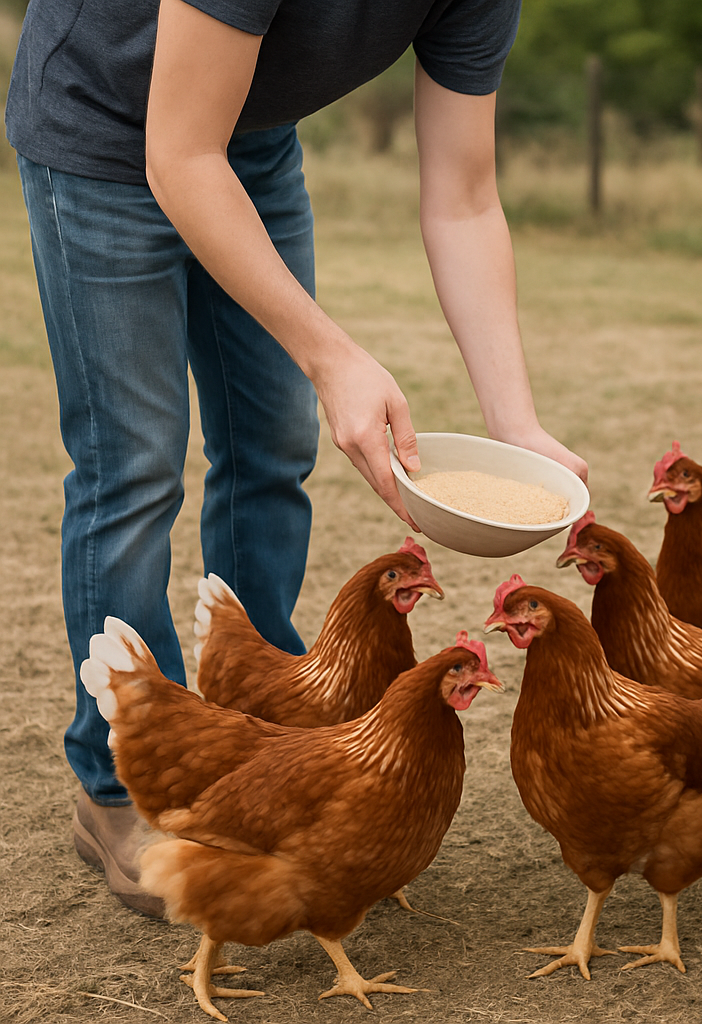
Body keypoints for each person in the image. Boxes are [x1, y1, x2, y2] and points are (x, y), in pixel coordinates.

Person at [6, 0, 587, 918]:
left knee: (274, 444)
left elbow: (466, 196)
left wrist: (516, 423)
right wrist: (333, 357)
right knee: (135, 467)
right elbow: (178, 154)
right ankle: (122, 783)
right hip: (107, 134)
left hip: (247, 140)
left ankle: (263, 748)